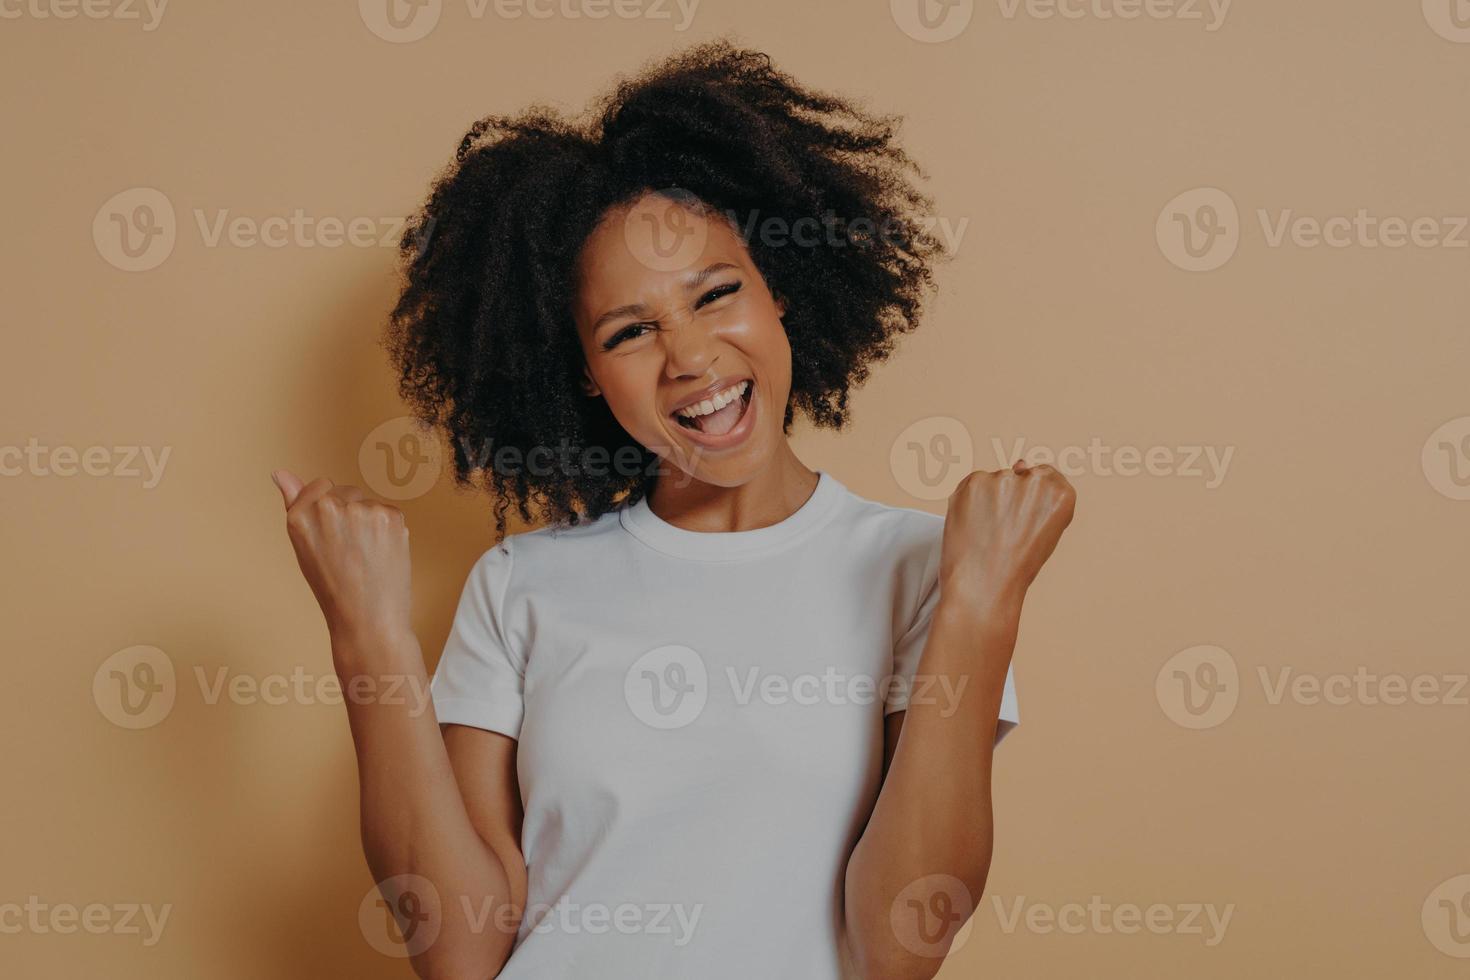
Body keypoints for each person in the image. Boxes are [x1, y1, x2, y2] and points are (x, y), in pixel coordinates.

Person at [271, 40, 1075, 980]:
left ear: (779, 289)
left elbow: (900, 947)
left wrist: (984, 605)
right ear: (583, 372)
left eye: (716, 294)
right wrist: (368, 635)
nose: (690, 356)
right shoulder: (519, 585)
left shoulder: (924, 568)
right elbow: (458, 949)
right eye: (630, 331)